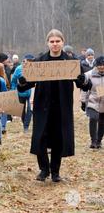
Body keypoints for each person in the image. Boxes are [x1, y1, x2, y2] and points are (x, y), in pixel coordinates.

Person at [17, 29, 90, 182]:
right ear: (48, 43)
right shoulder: (39, 62)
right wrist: (22, 81)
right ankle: (44, 169)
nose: (55, 44)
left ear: (62, 42)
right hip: (42, 106)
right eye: (52, 41)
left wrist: (83, 79)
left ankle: (55, 172)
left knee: (59, 138)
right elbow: (25, 86)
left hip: (61, 107)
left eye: (58, 41)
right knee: (40, 138)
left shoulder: (70, 62)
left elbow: (83, 85)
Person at [81, 56, 104, 149]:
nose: (102, 67)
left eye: (103, 65)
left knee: (102, 122)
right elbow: (84, 88)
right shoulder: (89, 74)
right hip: (92, 100)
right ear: (96, 65)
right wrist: (83, 101)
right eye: (99, 65)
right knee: (93, 118)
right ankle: (93, 141)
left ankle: (99, 140)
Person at [11, 54, 35, 133]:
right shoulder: (18, 69)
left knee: (29, 109)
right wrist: (13, 91)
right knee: (22, 110)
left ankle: (26, 127)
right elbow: (14, 80)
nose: (30, 63)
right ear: (24, 61)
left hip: (30, 93)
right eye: (28, 61)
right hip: (20, 93)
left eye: (32, 61)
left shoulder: (35, 69)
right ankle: (24, 122)